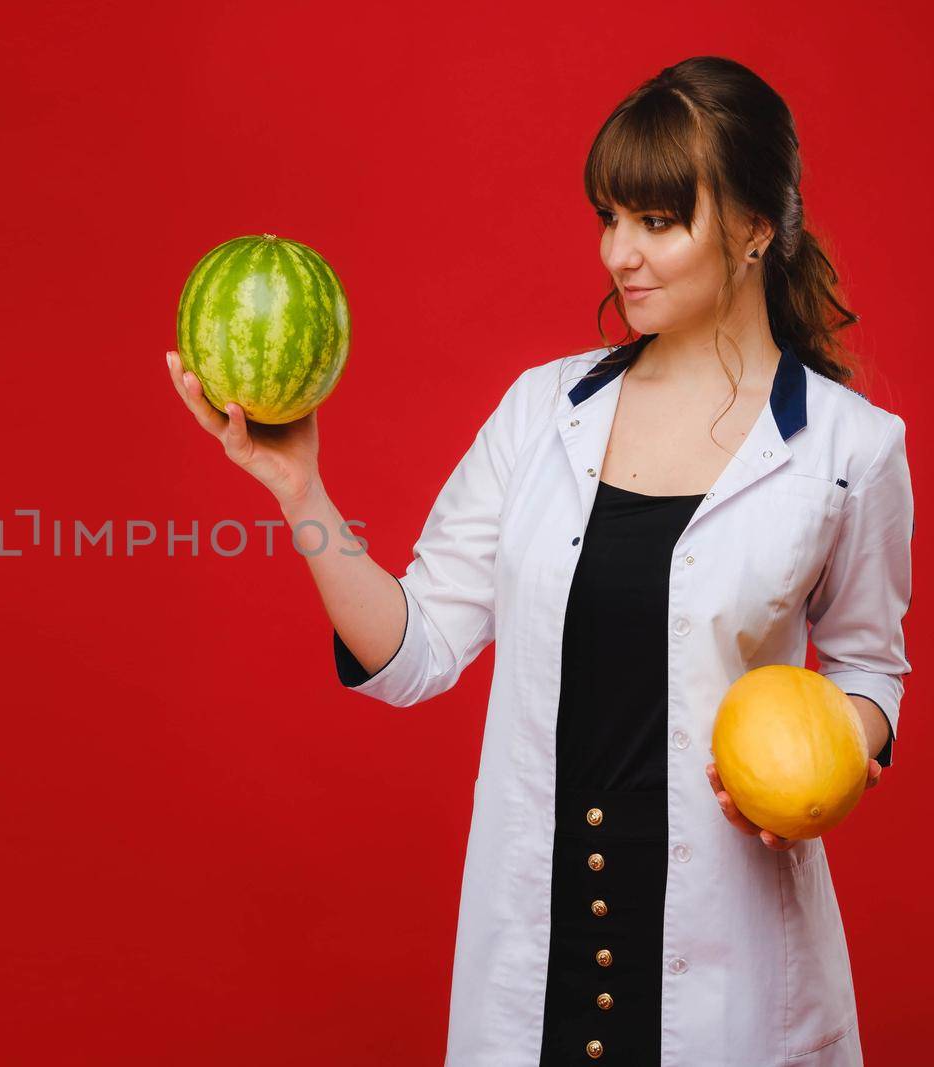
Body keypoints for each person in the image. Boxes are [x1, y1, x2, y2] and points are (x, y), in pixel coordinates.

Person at [163, 56, 910, 1066]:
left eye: (657, 221)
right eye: (611, 218)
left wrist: (828, 762)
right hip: (542, 958)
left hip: (726, 961)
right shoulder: (538, 412)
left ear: (754, 229)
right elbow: (416, 647)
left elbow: (868, 667)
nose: (619, 254)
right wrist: (301, 492)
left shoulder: (847, 447)